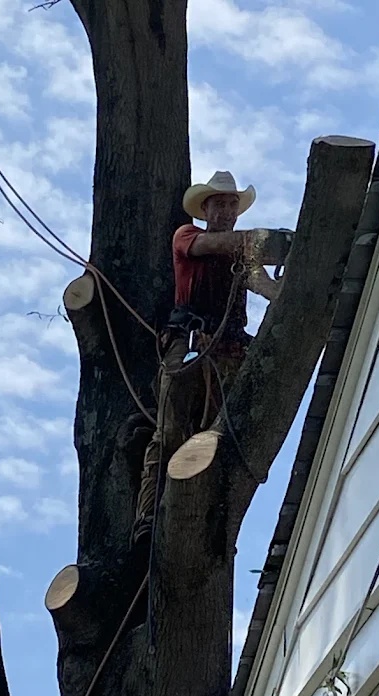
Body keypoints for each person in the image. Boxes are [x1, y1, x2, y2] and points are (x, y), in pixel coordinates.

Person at [133, 170, 292, 547]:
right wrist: (272, 242)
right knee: (170, 431)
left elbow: (260, 282)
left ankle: (211, 525)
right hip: (189, 344)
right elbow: (215, 247)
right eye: (218, 203)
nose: (225, 210)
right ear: (204, 209)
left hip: (230, 354)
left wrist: (285, 290)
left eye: (230, 204)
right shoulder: (189, 237)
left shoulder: (243, 255)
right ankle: (149, 516)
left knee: (223, 439)